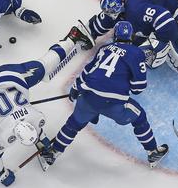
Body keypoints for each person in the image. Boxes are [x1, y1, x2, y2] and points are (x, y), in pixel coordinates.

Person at [0, 22, 95, 186]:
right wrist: (42, 142)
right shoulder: (29, 121)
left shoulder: (29, 122)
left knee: (45, 67)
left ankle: (72, 38)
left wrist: (1, 174)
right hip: (10, 77)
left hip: (11, 79)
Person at [40, 21, 169, 170]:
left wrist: (75, 89)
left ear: (115, 35)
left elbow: (87, 71)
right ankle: (152, 152)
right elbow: (138, 88)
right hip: (114, 105)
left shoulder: (104, 48)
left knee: (73, 124)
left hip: (88, 97)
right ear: (130, 36)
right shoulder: (136, 52)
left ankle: (54, 152)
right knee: (139, 117)